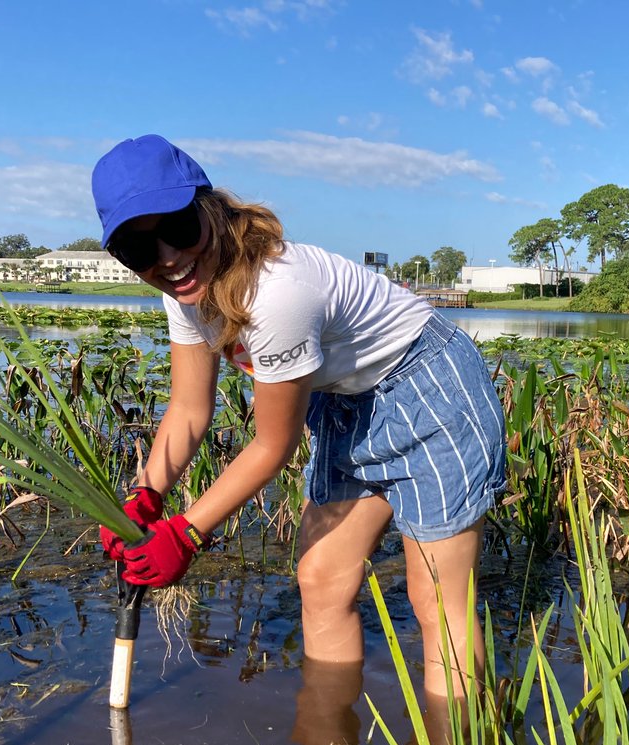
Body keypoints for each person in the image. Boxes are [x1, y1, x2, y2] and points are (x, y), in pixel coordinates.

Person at [94, 134, 505, 698]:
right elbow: (190, 409)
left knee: (435, 597)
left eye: (178, 228)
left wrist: (185, 535)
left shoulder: (277, 292)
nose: (167, 257)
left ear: (209, 207)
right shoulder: (183, 291)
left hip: (426, 388)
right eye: (139, 251)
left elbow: (272, 446)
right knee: (321, 578)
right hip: (345, 403)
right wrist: (146, 495)